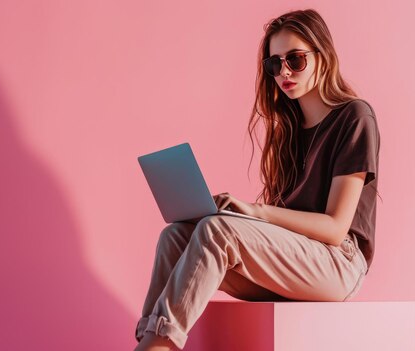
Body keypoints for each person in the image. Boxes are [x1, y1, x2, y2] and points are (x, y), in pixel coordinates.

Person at [134, 8, 381, 351]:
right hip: (298, 262)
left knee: (219, 231)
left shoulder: (355, 117)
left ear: (323, 57)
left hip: (338, 263)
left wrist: (255, 212)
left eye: (295, 59)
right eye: (274, 64)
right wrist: (233, 213)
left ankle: (158, 347)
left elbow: (336, 229)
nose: (284, 72)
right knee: (175, 236)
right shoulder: (289, 130)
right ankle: (147, 340)